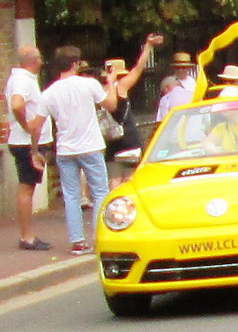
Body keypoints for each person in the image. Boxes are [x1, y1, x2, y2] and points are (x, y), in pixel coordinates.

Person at [31, 46, 118, 256]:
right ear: (76, 64)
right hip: (91, 147)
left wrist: (35, 150)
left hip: (65, 149)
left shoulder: (49, 92)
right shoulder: (89, 84)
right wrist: (112, 83)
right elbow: (112, 105)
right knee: (99, 193)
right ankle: (100, 237)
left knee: (71, 196)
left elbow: (36, 124)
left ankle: (78, 242)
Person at [5, 45, 53, 250]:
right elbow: (17, 104)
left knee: (28, 187)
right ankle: (27, 236)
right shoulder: (22, 80)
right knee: (26, 188)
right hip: (27, 143)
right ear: (33, 60)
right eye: (40, 57)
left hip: (25, 142)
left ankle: (27, 234)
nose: (42, 61)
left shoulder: (21, 78)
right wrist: (27, 125)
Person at [105, 33, 164, 188]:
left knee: (114, 180)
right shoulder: (122, 87)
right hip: (129, 138)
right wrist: (148, 46)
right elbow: (139, 67)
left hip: (111, 140)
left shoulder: (99, 92)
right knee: (131, 179)